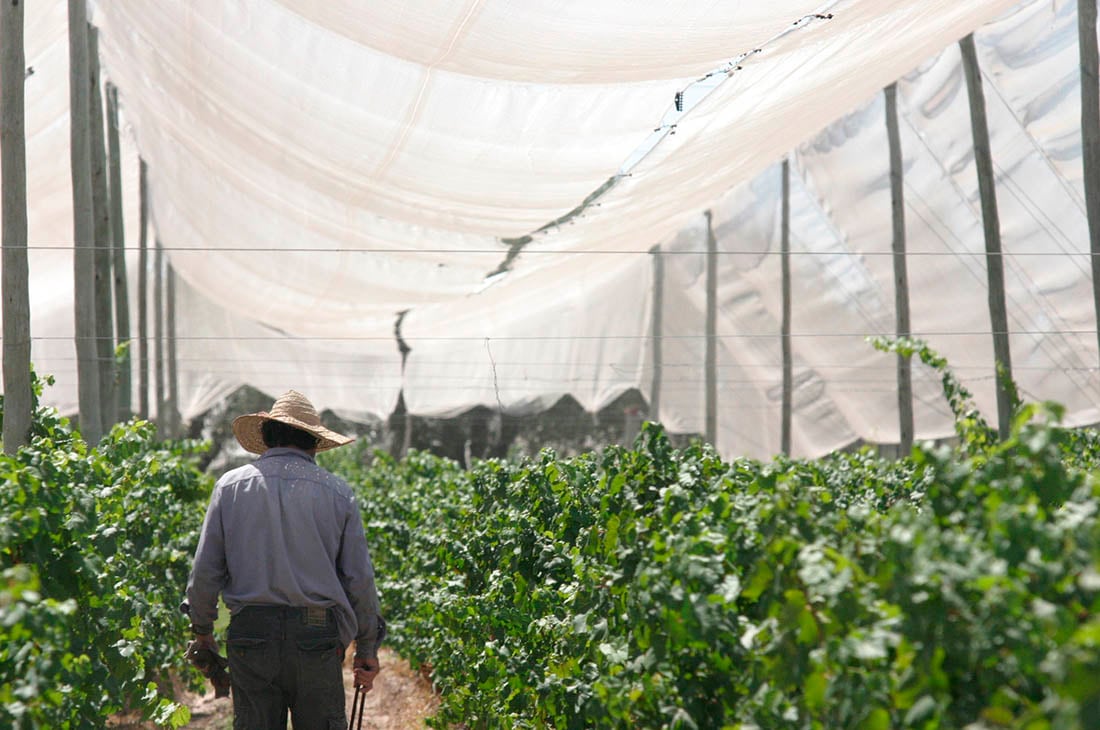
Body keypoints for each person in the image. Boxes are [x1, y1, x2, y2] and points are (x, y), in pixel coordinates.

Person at [184, 390, 386, 729]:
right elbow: (359, 579)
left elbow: (205, 572)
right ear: (313, 442)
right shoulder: (337, 492)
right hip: (317, 635)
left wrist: (203, 630)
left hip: (251, 634)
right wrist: (367, 647)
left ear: (266, 437)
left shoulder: (230, 487)